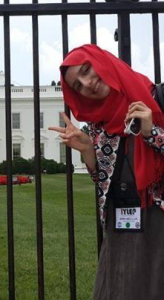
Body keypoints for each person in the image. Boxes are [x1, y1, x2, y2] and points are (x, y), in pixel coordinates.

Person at [48, 44, 164, 300]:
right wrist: (89, 152)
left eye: (87, 70)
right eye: (78, 85)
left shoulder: (156, 98)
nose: (87, 83)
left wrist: (152, 132)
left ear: (103, 61)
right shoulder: (98, 124)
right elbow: (104, 184)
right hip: (123, 226)